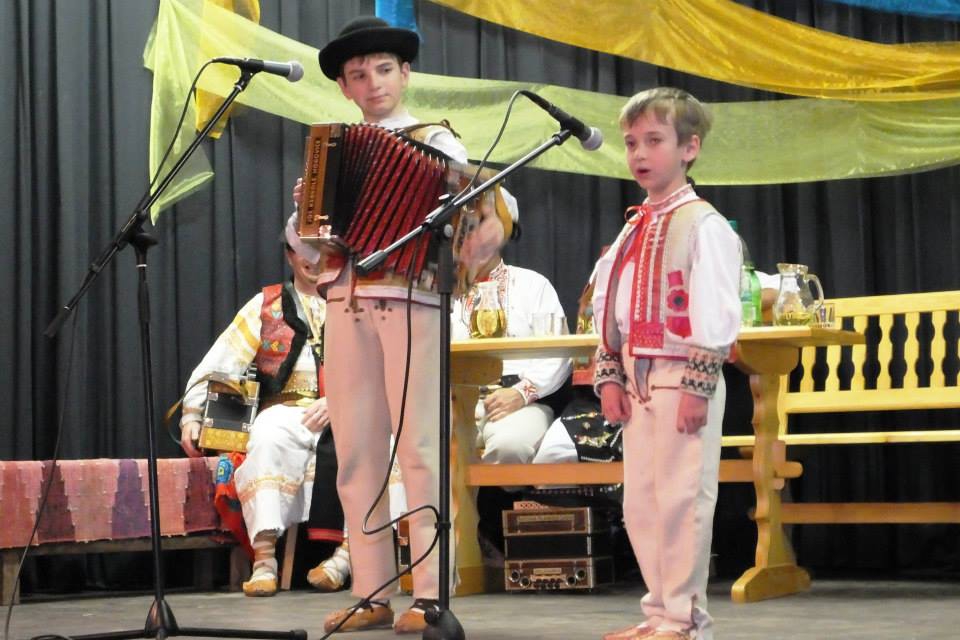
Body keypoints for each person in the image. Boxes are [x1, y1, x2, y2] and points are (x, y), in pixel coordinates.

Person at [301, 16, 513, 634]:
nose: (373, 83)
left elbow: (492, 206)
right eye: (358, 75)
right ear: (344, 87)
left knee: (420, 446)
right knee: (356, 452)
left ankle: (431, 593)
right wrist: (304, 212)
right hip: (346, 301)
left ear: (406, 73)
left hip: (414, 299)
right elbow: (310, 248)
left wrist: (476, 222)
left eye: (384, 70)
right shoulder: (332, 150)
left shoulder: (439, 140)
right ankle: (371, 591)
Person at [592, 87, 741, 640]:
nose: (639, 153)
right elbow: (610, 302)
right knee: (642, 503)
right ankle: (658, 611)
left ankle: (684, 618)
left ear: (689, 148)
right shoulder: (633, 227)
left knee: (682, 500)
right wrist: (610, 373)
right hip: (638, 377)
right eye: (632, 142)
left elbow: (717, 307)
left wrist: (698, 386)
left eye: (654, 140)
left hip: (682, 375)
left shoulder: (703, 224)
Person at [178, 213, 344, 597]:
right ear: (289, 256)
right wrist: (193, 413)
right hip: (288, 414)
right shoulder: (266, 305)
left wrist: (341, 401)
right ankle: (265, 560)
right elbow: (221, 361)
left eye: (321, 251)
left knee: (381, 443)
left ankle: (345, 559)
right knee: (267, 435)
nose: (313, 261)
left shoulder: (355, 300)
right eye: (304, 252)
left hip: (349, 408)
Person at [452, 210, 572, 466]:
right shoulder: (442, 293)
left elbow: (559, 353)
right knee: (414, 448)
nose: (470, 237)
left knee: (510, 446)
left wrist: (522, 392)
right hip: (454, 402)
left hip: (517, 400)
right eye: (463, 230)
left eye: (477, 227)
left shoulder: (532, 284)